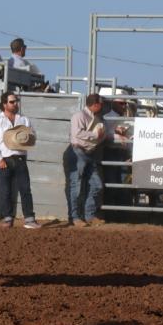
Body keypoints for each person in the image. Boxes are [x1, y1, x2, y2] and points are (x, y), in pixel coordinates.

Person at [0, 91, 41, 228]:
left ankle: (29, 218)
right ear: (4, 104)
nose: (15, 104)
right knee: (5, 190)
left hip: (20, 157)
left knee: (25, 189)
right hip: (5, 157)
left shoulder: (24, 120)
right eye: (12, 102)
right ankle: (8, 217)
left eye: (16, 101)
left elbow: (32, 136)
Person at [68, 93, 107, 227]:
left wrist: (102, 136)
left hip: (88, 153)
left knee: (96, 185)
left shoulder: (97, 118)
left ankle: (88, 215)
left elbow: (100, 136)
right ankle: (75, 217)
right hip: (78, 151)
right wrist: (95, 135)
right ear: (95, 104)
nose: (102, 106)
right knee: (76, 186)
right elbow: (76, 133)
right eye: (100, 104)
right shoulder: (78, 116)